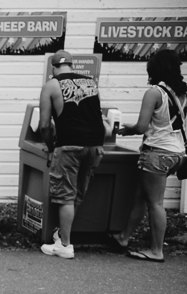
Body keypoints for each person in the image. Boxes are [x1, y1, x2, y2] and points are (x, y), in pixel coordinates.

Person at [108, 49, 186, 263]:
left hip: (157, 153)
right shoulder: (183, 91)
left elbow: (142, 126)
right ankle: (123, 237)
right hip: (177, 152)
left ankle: (156, 250)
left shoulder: (154, 92)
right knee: (141, 198)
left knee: (155, 203)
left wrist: (126, 129)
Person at [37, 50, 106, 259]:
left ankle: (65, 245)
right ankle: (61, 235)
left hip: (69, 145)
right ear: (72, 66)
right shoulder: (91, 84)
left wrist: (50, 147)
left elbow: (44, 125)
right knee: (76, 194)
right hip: (95, 146)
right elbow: (97, 116)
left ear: (53, 67)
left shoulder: (51, 85)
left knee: (65, 194)